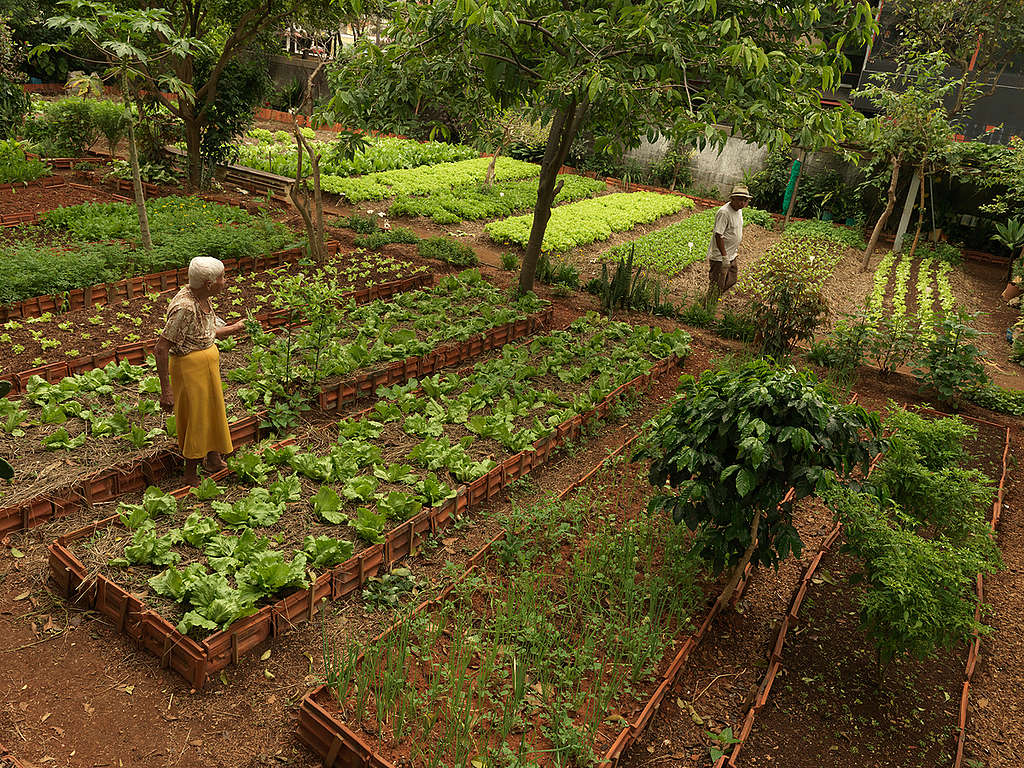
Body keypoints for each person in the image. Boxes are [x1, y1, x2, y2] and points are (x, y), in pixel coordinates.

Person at [155, 257, 252, 485]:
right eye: (222, 278)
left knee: (213, 412)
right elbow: (161, 348)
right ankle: (190, 475)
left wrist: (235, 328)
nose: (225, 282)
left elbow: (206, 333)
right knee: (198, 418)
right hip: (190, 370)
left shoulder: (202, 298)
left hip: (206, 367)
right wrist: (165, 390)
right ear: (209, 284)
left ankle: (214, 459)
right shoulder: (184, 308)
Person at [706, 184, 752, 306]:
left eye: (745, 200)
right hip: (721, 257)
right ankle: (706, 306)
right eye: (740, 200)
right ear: (732, 199)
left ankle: (709, 300)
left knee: (732, 279)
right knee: (717, 283)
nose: (743, 203)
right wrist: (724, 256)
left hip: (732, 254)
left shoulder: (739, 211)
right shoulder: (724, 212)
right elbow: (718, 234)